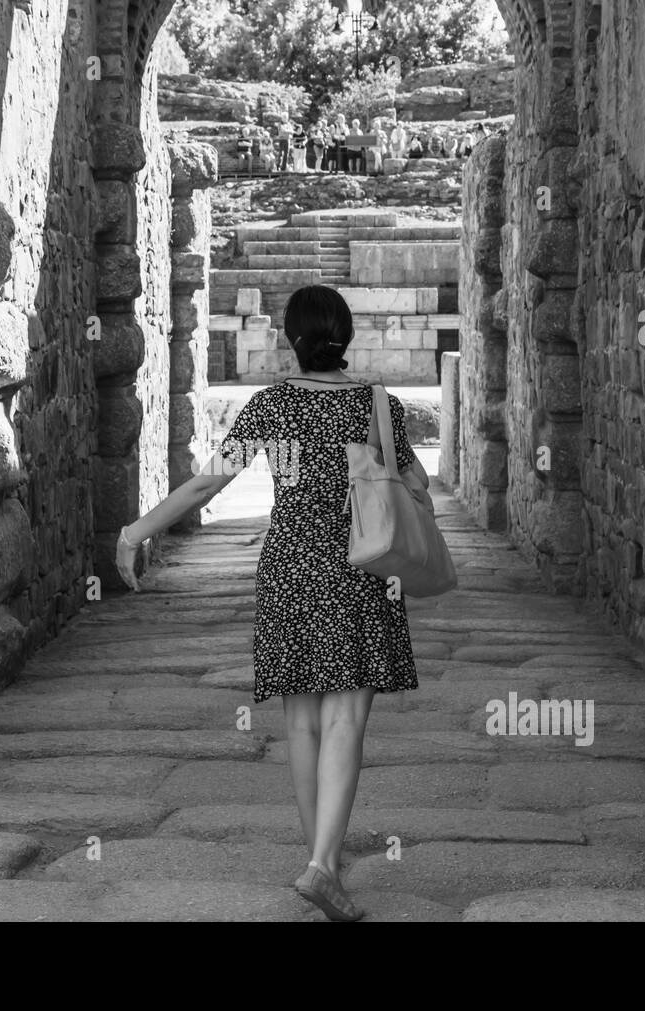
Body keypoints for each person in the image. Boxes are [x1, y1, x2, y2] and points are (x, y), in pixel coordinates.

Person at [115, 285, 423, 922]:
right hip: (359, 570)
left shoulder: (274, 405)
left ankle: (323, 864)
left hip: (288, 571)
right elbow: (415, 484)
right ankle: (321, 866)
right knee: (346, 721)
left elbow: (209, 482)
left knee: (303, 724)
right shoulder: (377, 405)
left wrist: (136, 530)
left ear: (293, 340)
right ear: (347, 337)